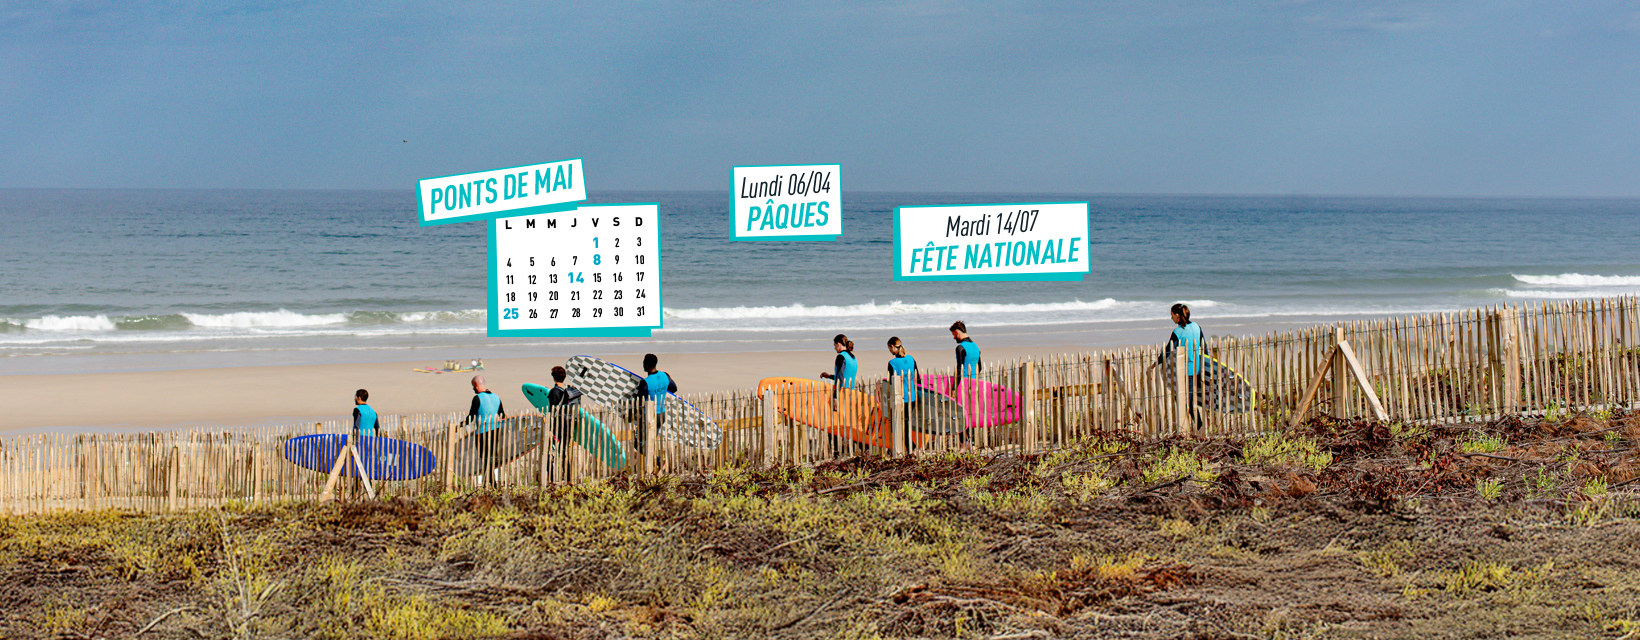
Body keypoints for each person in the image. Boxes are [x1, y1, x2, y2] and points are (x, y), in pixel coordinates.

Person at [1151, 303, 1205, 422]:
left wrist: (1155, 364)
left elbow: (1167, 351)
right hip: (1196, 369)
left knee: (1184, 402)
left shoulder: (1178, 331)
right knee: (1190, 401)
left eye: (1172, 315)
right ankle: (1196, 426)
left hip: (1184, 371)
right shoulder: (1197, 327)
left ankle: (1198, 426)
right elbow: (1204, 347)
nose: (1171, 318)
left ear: (1177, 315)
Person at [462, 375, 506, 484]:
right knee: (492, 457)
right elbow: (502, 415)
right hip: (495, 431)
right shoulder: (496, 397)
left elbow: (471, 418)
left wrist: (459, 426)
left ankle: (490, 481)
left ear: (476, 385)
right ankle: (491, 480)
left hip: (482, 433)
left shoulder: (477, 398)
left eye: (473, 386)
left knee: (484, 457)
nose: (473, 388)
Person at [544, 365, 582, 480]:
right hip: (568, 424)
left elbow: (553, 411)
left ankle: (551, 477)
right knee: (564, 451)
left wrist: (550, 428)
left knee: (551, 452)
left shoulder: (554, 392)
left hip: (558, 426)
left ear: (553, 377)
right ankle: (568, 476)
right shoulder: (569, 391)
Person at [632, 353, 675, 455]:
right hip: (662, 415)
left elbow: (639, 401)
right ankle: (653, 460)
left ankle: (655, 460)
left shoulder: (645, 383)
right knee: (651, 440)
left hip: (650, 416)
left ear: (646, 365)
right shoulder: (665, 375)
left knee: (639, 444)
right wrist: (661, 391)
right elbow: (674, 388)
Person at [885, 337, 919, 404]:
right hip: (912, 397)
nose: (889, 351)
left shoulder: (892, 363)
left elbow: (891, 382)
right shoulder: (911, 358)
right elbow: (917, 377)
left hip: (900, 398)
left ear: (892, 346)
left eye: (889, 348)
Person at [950, 321, 982, 393]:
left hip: (964, 385)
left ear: (957, 332)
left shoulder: (961, 348)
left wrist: (954, 389)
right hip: (974, 384)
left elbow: (959, 370)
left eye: (953, 334)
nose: (954, 338)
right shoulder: (976, 346)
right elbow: (979, 367)